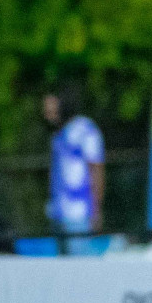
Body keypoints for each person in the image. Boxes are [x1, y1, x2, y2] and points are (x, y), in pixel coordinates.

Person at [44, 84, 104, 253]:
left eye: (51, 104)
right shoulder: (59, 134)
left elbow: (96, 170)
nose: (47, 110)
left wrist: (96, 210)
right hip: (58, 212)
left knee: (78, 268)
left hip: (79, 213)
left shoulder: (85, 130)